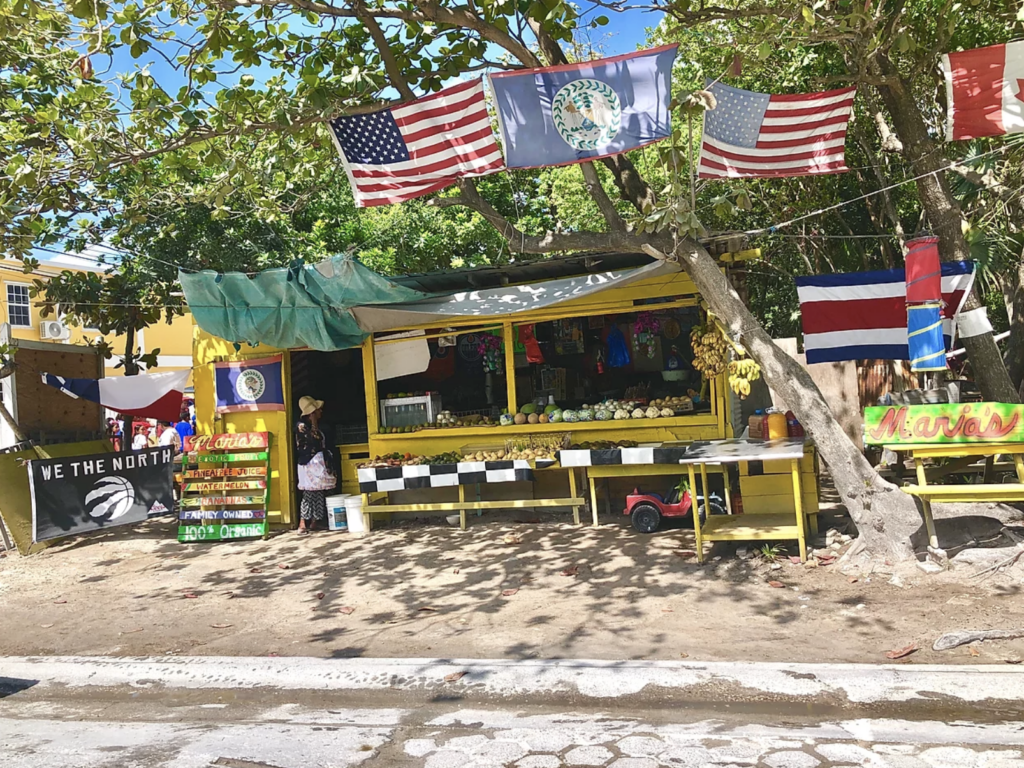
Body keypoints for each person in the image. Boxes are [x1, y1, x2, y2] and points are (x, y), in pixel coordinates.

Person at [294, 395, 336, 534]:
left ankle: (314, 521)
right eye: (317, 410)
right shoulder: (301, 426)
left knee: (318, 491)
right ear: (312, 413)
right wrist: (314, 423)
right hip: (308, 463)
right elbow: (315, 439)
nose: (320, 412)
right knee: (309, 492)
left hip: (317, 462)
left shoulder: (314, 426)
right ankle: (302, 522)